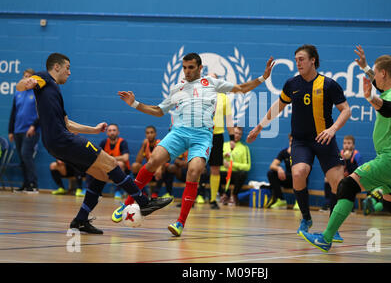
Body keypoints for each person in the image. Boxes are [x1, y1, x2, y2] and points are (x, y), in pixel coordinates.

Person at [297, 46, 391, 256]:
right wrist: (366, 67)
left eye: (376, 73)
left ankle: (326, 238)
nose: (374, 78)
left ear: (384, 73)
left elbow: (388, 109)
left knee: (347, 185)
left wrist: (369, 97)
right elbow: (381, 88)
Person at [112, 52, 274, 237]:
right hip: (179, 133)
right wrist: (134, 104)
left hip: (202, 136)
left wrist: (263, 77)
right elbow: (158, 111)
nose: (187, 71)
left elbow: (242, 88)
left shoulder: (212, 83)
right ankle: (127, 204)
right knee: (152, 161)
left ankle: (180, 223)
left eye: (191, 67)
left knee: (194, 170)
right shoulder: (177, 88)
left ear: (200, 68)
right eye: (184, 67)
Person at [16, 53, 172, 234]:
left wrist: (94, 130)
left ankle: (80, 220)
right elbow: (23, 85)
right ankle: (143, 202)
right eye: (67, 68)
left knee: (101, 175)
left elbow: (68, 123)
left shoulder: (53, 91)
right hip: (62, 139)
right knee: (111, 163)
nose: (69, 72)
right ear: (56, 67)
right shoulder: (43, 77)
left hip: (55, 142)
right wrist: (26, 84)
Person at [247, 44, 351, 243]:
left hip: (324, 138)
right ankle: (306, 218)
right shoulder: (291, 84)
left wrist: (332, 129)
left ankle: (333, 227)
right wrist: (259, 127)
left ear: (313, 60)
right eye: (296, 60)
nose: (298, 63)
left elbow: (346, 110)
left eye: (302, 59)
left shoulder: (329, 84)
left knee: (338, 181)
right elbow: (278, 107)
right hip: (301, 141)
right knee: (297, 173)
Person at [202, 73, 235, 210]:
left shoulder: (224, 98)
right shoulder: (200, 96)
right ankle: (192, 197)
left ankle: (212, 199)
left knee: (215, 168)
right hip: (202, 134)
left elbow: (229, 120)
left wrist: (232, 138)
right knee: (197, 166)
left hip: (217, 135)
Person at [9, 68, 40, 193]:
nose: (25, 78)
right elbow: (13, 112)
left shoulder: (37, 93)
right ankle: (25, 184)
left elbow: (41, 113)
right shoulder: (18, 93)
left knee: (26, 155)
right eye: (24, 76)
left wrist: (34, 126)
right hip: (18, 130)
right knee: (22, 157)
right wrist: (11, 130)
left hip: (31, 130)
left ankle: (33, 184)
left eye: (28, 76)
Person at [219, 126, 251, 205]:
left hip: (234, 174)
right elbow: (215, 159)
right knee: (214, 173)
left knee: (243, 174)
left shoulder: (244, 148)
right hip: (223, 173)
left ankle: (233, 196)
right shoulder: (223, 145)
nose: (237, 135)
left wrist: (231, 164)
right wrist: (223, 157)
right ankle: (223, 195)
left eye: (239, 134)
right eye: (235, 133)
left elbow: (247, 166)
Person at [99, 123, 131, 199]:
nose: (112, 132)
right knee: (95, 164)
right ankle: (95, 190)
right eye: (109, 130)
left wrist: (111, 158)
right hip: (108, 169)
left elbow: (125, 158)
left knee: (120, 164)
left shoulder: (122, 142)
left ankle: (118, 191)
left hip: (123, 171)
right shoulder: (104, 142)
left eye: (114, 130)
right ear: (107, 133)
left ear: (118, 132)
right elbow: (98, 156)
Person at [266, 134, 293, 209]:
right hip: (288, 179)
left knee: (303, 175)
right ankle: (281, 200)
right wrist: (279, 169)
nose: (292, 143)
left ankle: (299, 202)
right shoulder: (284, 152)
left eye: (294, 141)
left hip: (299, 179)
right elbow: (272, 165)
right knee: (271, 173)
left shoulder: (302, 152)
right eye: (291, 141)